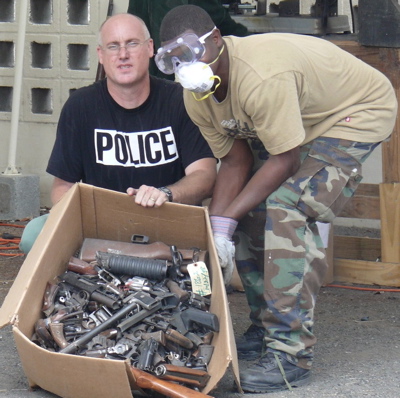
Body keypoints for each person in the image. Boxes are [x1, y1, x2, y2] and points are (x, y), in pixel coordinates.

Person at [156, 5, 398, 393]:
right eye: (174, 59)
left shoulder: (261, 77)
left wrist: (224, 222)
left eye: (192, 53)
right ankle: (265, 323)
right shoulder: (196, 97)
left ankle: (290, 355)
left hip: (356, 112)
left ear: (216, 38)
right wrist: (216, 231)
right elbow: (235, 162)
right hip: (302, 121)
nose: (187, 67)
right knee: (249, 211)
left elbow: (285, 161)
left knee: (288, 209)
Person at [19, 13, 216, 253]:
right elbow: (62, 188)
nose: (123, 55)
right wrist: (101, 214)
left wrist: (166, 194)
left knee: (220, 251)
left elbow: (204, 176)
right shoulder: (80, 105)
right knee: (33, 236)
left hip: (168, 218)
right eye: (113, 46)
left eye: (132, 43)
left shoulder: (180, 100)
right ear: (101, 55)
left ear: (150, 48)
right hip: (103, 226)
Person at [127, 0, 249, 80]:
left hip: (156, 73)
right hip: (178, 72)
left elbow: (133, 27)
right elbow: (222, 23)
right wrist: (252, 43)